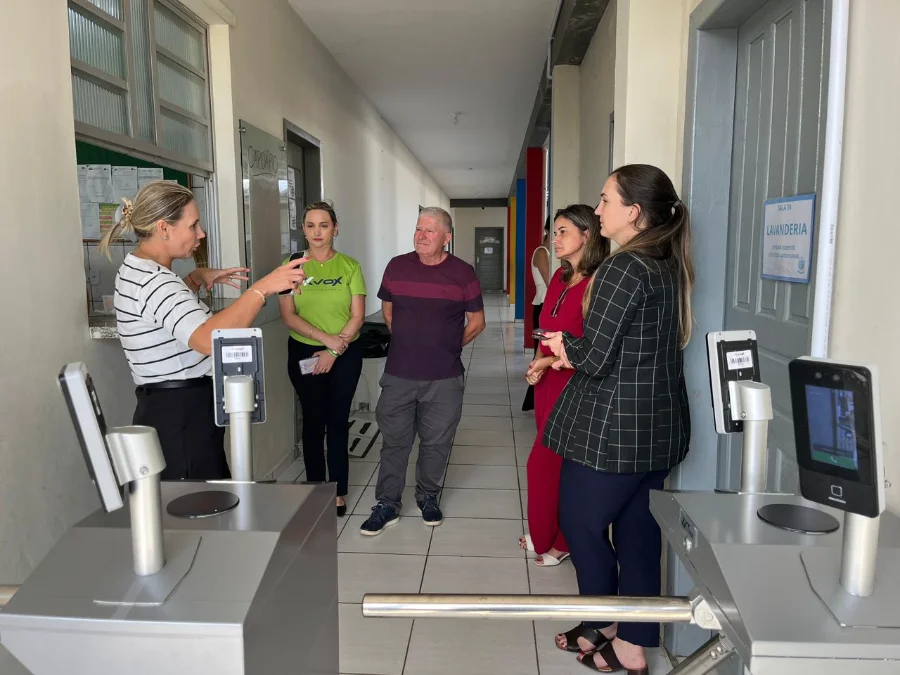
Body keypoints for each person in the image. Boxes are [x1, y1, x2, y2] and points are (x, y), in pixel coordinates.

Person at [541, 164, 693, 674]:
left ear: (634, 211)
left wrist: (564, 345)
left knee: (580, 525)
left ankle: (604, 619)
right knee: (637, 534)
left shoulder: (623, 267)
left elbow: (596, 357)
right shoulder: (666, 262)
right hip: (659, 428)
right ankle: (632, 642)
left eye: (605, 200)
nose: (598, 209)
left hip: (615, 431)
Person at [101, 181, 307, 481]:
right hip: (181, 415)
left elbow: (163, 316)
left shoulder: (137, 268)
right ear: (164, 228)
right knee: (199, 503)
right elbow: (208, 339)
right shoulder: (155, 282)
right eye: (193, 225)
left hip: (172, 409)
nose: (201, 233)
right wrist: (262, 288)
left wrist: (194, 280)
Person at [360, 207, 486, 535]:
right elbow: (389, 313)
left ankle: (428, 496)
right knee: (394, 443)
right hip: (399, 374)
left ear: (447, 237)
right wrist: (411, 343)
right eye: (418, 229)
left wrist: (448, 347)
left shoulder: (463, 273)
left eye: (430, 230)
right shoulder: (397, 267)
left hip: (444, 378)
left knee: (436, 442)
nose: (421, 235)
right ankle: (387, 503)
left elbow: (477, 322)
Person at [518, 205, 609, 567]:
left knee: (547, 464)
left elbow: (593, 346)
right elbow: (547, 329)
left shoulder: (598, 283)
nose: (554, 239)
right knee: (554, 465)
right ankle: (548, 532)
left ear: (587, 235)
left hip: (575, 385)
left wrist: (546, 361)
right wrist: (537, 363)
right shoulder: (560, 276)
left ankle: (561, 540)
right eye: (554, 232)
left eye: (563, 232)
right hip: (548, 383)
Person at [279, 201, 366, 518]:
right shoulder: (291, 266)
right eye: (311, 225)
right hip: (304, 351)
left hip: (345, 352)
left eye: (324, 225)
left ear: (335, 228)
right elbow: (288, 315)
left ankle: (338, 491)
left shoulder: (350, 266)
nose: (317, 232)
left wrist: (332, 350)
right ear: (303, 230)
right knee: (313, 420)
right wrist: (324, 340)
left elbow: (357, 316)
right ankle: (316, 489)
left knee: (338, 420)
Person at [521, 219, 551, 411]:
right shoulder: (542, 252)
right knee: (540, 353)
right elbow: (551, 283)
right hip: (542, 307)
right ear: (547, 230)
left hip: (546, 306)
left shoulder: (549, 253)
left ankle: (535, 399)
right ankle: (533, 399)